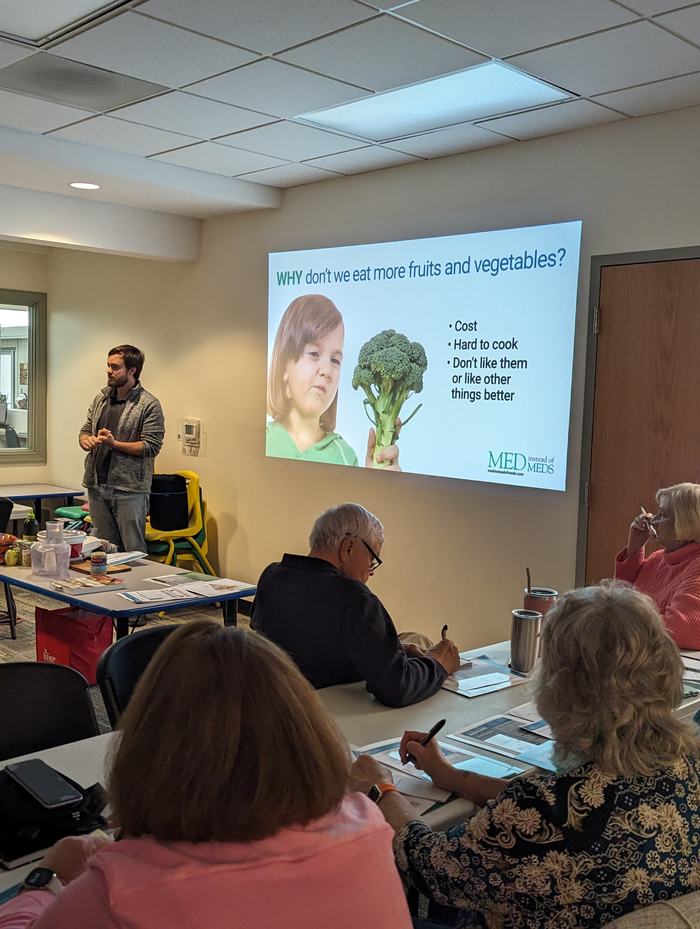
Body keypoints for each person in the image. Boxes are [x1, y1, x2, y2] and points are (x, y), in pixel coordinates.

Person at [0, 621, 413, 929]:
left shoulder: (117, 892)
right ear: (307, 732)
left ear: (148, 749)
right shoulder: (369, 826)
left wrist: (45, 878)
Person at [350, 582, 700, 929]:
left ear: (560, 687)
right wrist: (453, 777)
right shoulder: (688, 768)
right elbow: (574, 809)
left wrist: (381, 789)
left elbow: (431, 869)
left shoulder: (539, 810)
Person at [251, 502, 459, 706]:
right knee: (424, 646)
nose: (371, 571)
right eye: (372, 559)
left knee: (415, 638)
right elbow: (396, 688)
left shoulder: (272, 575)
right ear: (348, 548)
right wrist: (437, 663)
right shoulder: (354, 598)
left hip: (270, 697)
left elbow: (310, 642)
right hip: (323, 711)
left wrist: (391, 650)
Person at [266, 294, 399, 468]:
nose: (327, 371)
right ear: (284, 366)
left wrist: (373, 480)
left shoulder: (345, 458)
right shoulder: (259, 439)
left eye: (335, 360)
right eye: (314, 354)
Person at [79, 344, 164, 552]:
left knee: (133, 551)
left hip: (129, 489)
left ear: (132, 370)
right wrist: (86, 440)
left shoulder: (149, 404)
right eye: (108, 365)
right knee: (103, 550)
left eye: (115, 367)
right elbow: (85, 429)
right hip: (97, 485)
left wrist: (114, 444)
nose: (109, 371)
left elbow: (151, 446)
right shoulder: (101, 398)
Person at [616, 482, 700, 648]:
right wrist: (634, 548)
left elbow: (680, 630)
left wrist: (618, 619)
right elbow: (620, 596)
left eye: (662, 514)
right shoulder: (658, 558)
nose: (653, 520)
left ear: (685, 524)